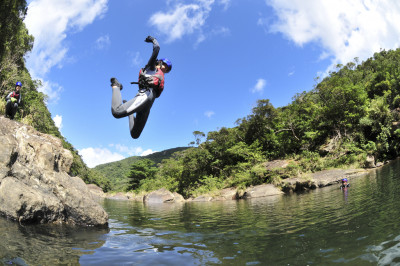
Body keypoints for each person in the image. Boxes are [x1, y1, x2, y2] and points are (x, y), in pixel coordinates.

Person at [110, 35, 172, 139]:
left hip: (148, 104)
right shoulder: (151, 67)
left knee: (135, 135)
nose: (164, 70)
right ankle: (116, 85)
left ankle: (130, 115)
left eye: (166, 70)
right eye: (164, 67)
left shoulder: (160, 74)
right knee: (117, 112)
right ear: (159, 63)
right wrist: (153, 40)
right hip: (145, 95)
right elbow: (157, 48)